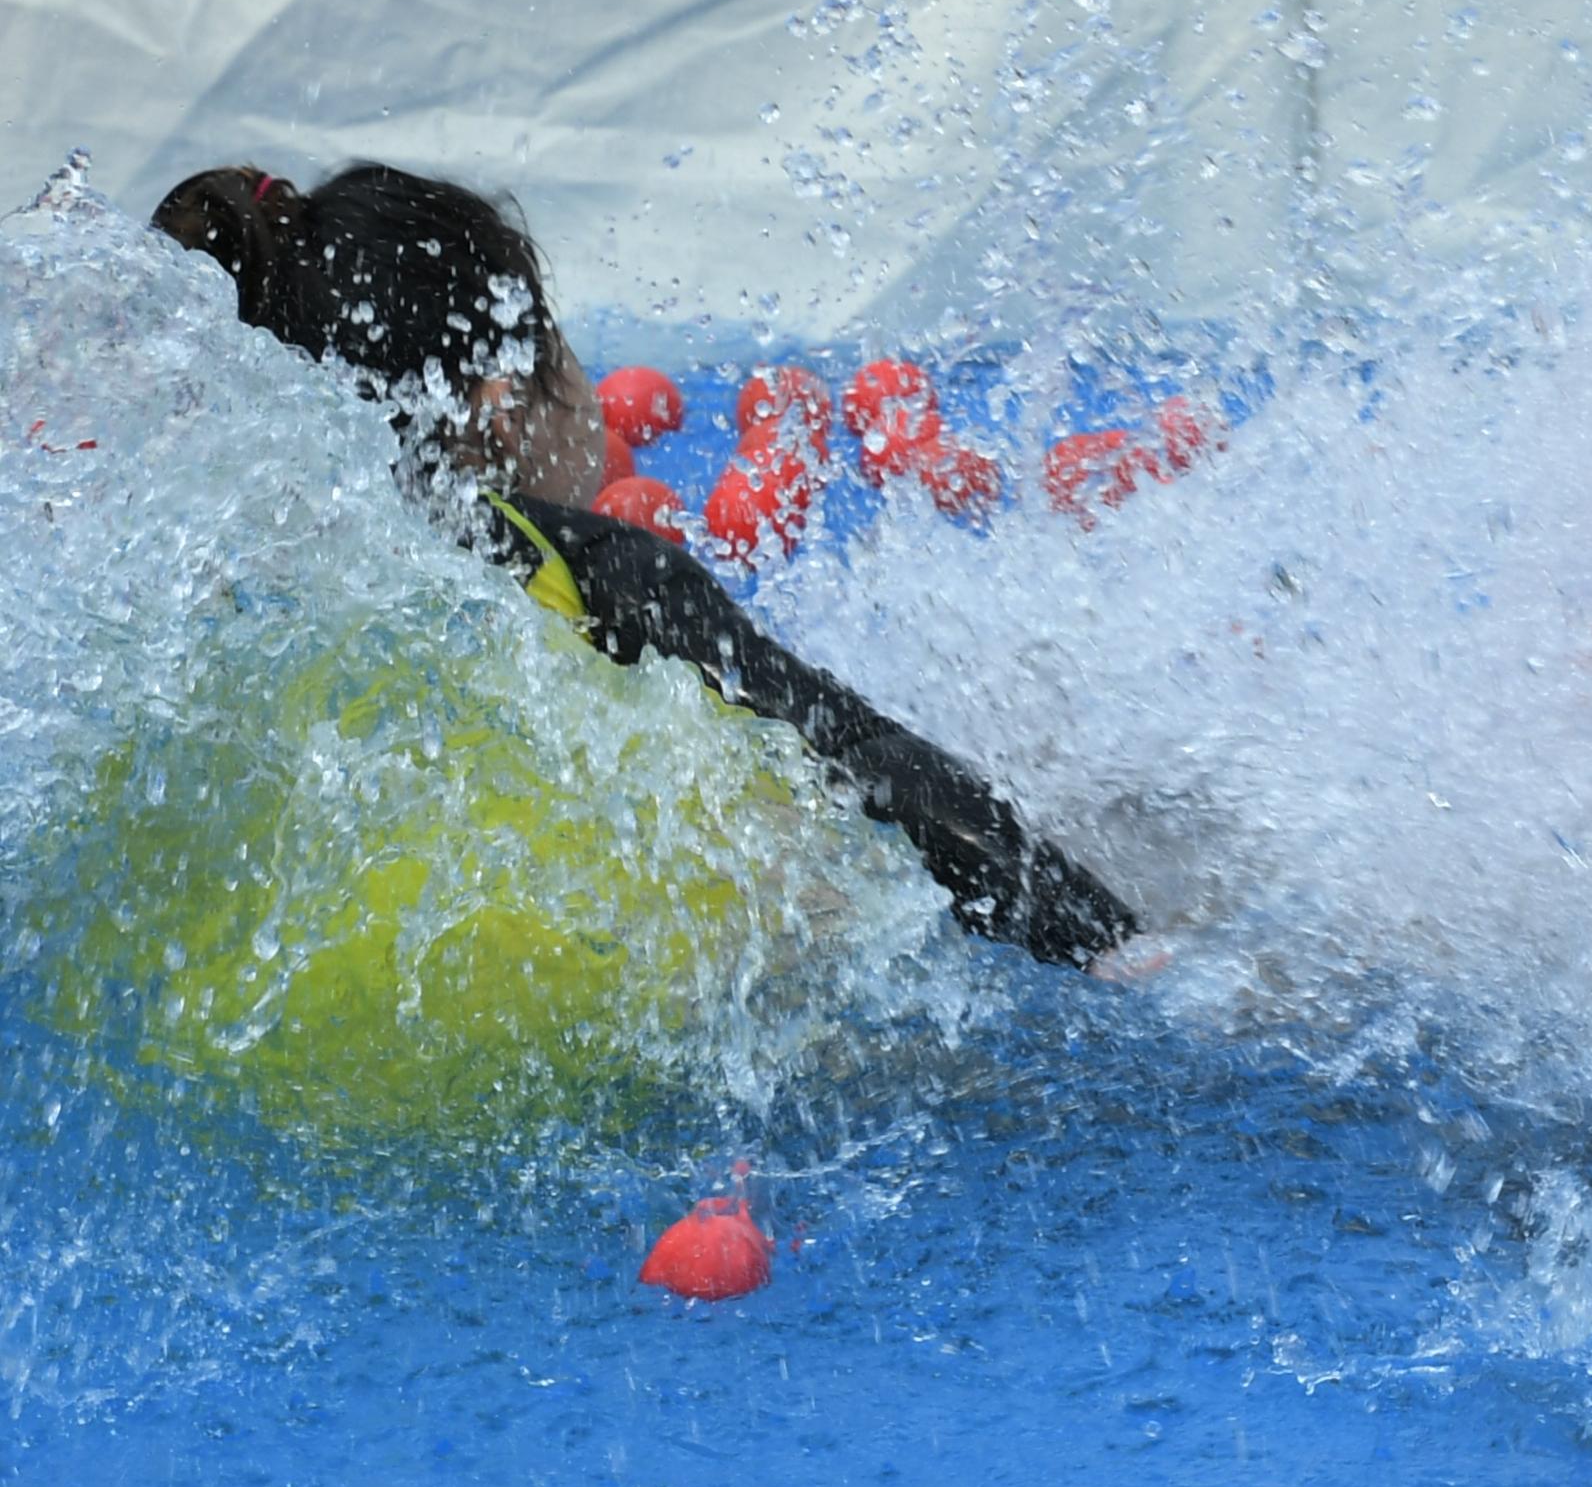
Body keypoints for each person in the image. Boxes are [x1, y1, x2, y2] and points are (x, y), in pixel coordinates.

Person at [149, 162, 1135, 969]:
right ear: (499, 399)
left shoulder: (244, 566)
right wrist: (1104, 936)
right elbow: (870, 758)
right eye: (561, 339)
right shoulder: (594, 569)